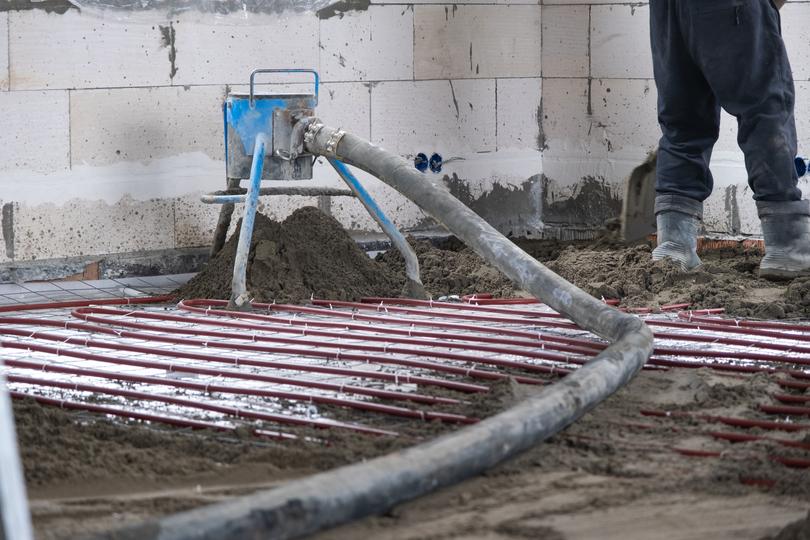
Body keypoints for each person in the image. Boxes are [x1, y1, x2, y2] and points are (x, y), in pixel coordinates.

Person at [649, 0, 806, 279]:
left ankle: (674, 245)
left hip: (667, 9)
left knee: (683, 122)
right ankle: (788, 245)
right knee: (764, 108)